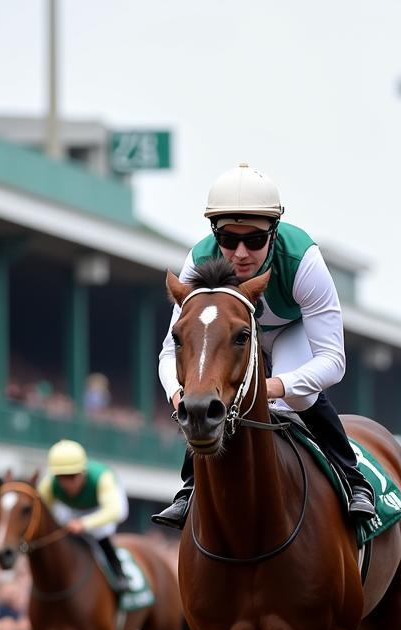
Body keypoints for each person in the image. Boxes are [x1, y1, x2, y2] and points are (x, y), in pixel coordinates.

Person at [152, 163, 376, 529]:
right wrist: (178, 392)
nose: (239, 253)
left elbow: (333, 360)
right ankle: (189, 486)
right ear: (215, 234)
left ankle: (353, 480)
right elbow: (168, 350)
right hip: (227, 341)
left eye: (254, 240)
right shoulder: (198, 261)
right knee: (202, 395)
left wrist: (270, 387)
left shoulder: (303, 261)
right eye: (228, 239)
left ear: (274, 231)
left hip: (289, 333)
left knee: (298, 397)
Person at [37, 439, 131, 591]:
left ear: (83, 472)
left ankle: (119, 573)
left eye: (73, 476)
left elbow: (116, 511)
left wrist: (84, 524)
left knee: (100, 533)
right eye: (62, 477)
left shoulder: (102, 478)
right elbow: (39, 511)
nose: (68, 483)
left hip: (100, 508)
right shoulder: (48, 483)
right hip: (71, 508)